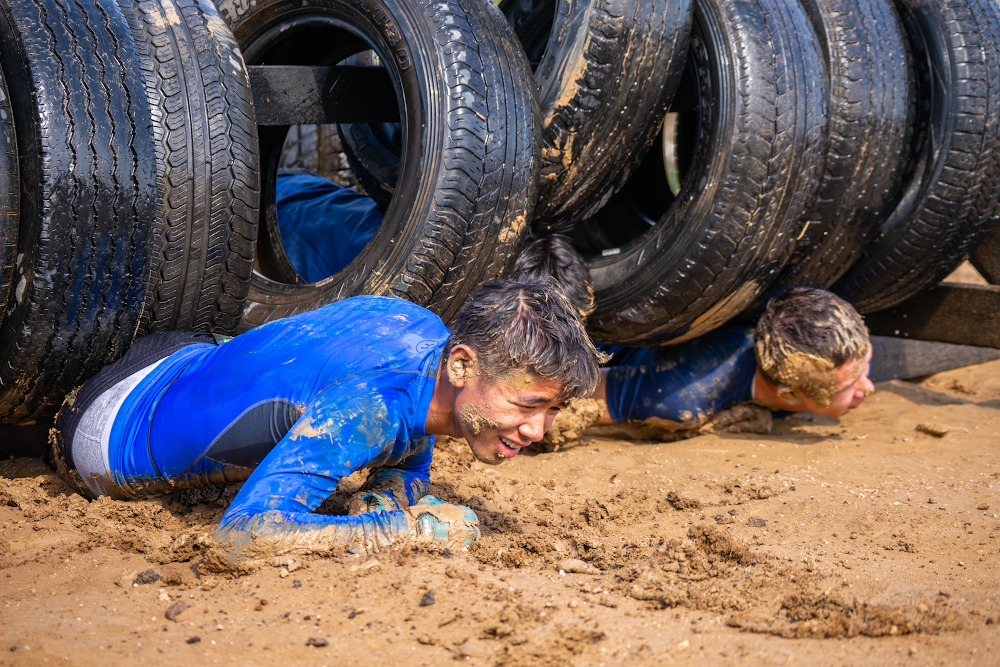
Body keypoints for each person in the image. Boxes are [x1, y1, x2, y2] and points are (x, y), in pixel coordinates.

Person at [51, 276, 604, 567]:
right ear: (462, 364)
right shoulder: (368, 410)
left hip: (184, 356)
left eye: (552, 410)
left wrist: (394, 491)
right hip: (104, 430)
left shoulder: (421, 332)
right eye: (527, 405)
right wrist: (399, 531)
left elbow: (408, 440)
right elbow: (242, 538)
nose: (537, 431)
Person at [510, 235, 875, 441]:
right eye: (851, 384)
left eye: (864, 367)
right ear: (789, 396)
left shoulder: (797, 335)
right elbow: (558, 398)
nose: (868, 387)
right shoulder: (679, 397)